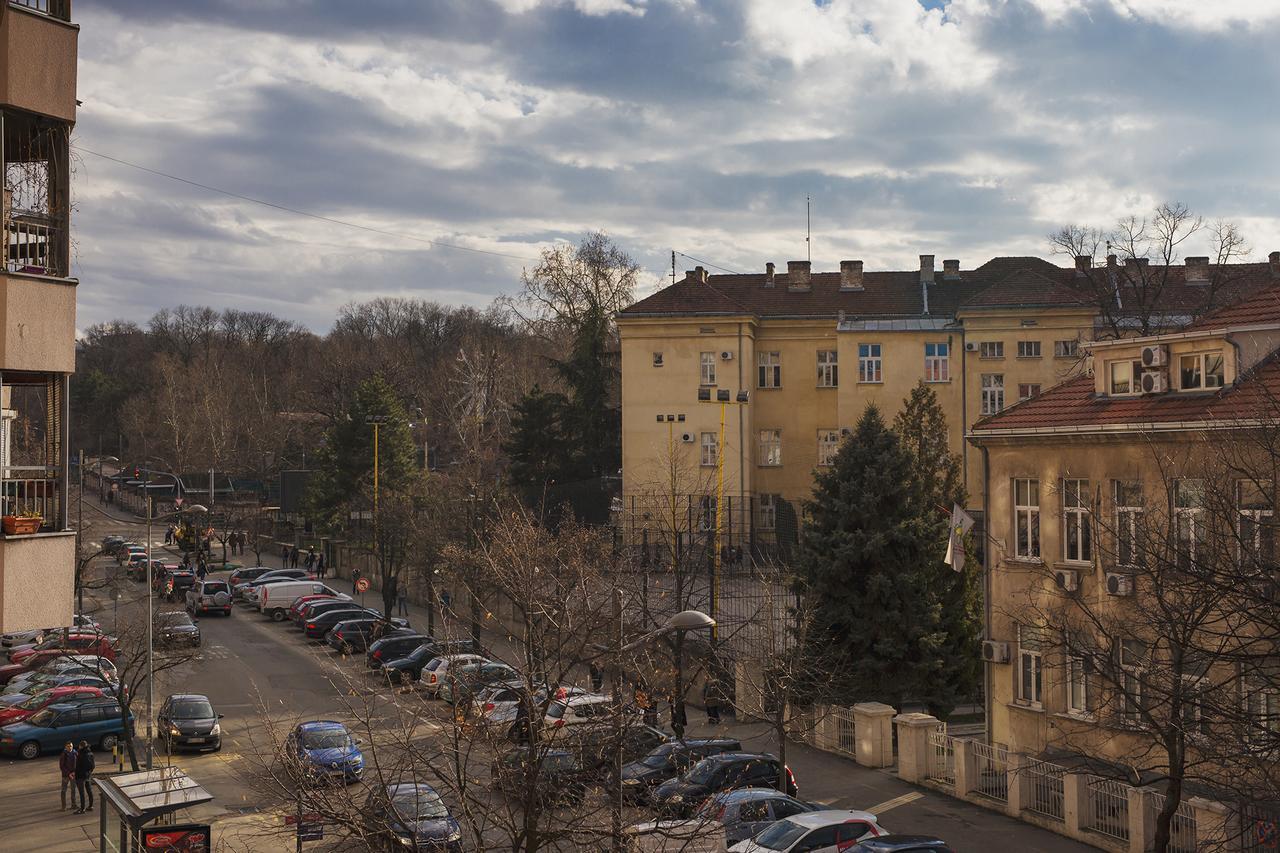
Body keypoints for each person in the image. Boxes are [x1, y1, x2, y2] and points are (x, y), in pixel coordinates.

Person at [73, 740, 95, 813]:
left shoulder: (80, 754)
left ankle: (82, 808)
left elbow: (78, 766)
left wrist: (77, 774)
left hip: (80, 776)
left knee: (82, 793)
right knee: (89, 790)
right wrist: (89, 772)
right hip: (88, 775)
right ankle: (91, 805)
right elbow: (93, 766)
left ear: (81, 746)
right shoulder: (91, 753)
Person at [59, 741, 77, 811]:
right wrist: (69, 773)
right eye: (68, 746)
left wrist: (74, 772)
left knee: (73, 790)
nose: (70, 748)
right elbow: (62, 766)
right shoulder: (63, 754)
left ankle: (74, 804)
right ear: (65, 747)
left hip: (73, 774)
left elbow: (77, 764)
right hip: (66, 775)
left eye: (71, 746)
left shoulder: (75, 753)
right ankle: (64, 806)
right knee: (63, 790)